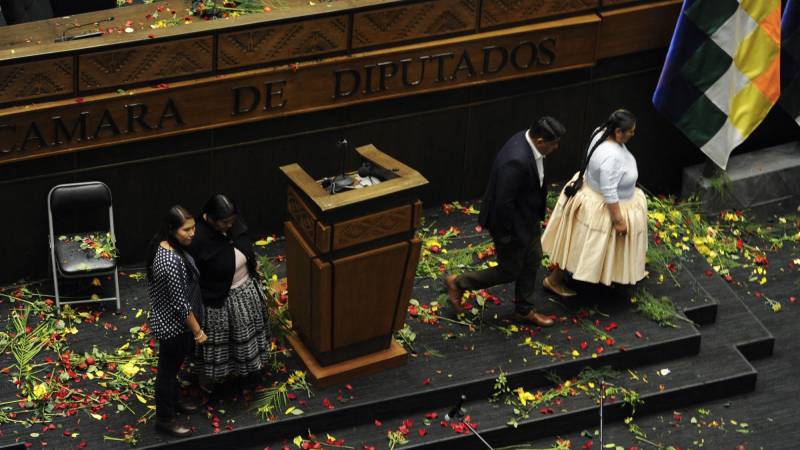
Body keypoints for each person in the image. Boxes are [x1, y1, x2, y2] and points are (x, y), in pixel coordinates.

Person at [445, 116, 567, 327]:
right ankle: (458, 283)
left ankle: (524, 310)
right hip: (511, 227)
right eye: (554, 143)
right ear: (540, 141)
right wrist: (505, 238)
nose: (556, 148)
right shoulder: (516, 161)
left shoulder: (527, 140)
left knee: (533, 259)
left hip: (527, 220)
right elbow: (503, 204)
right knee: (510, 270)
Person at [541, 109, 648, 291]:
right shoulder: (611, 157)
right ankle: (555, 280)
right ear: (618, 132)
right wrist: (618, 220)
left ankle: (611, 275)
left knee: (582, 242)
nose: (633, 133)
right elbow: (609, 190)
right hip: (602, 207)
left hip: (591, 196)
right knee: (580, 245)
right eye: (630, 130)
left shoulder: (601, 131)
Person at [188, 194, 270, 390]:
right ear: (210, 218)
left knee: (247, 334)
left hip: (245, 289)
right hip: (218, 300)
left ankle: (248, 371)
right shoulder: (197, 236)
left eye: (232, 221)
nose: (229, 226)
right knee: (220, 340)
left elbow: (241, 239)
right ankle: (210, 379)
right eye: (225, 223)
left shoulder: (233, 222)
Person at [146, 205, 207, 437]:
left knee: (173, 368)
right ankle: (164, 418)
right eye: (186, 230)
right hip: (174, 326)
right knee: (167, 372)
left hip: (170, 320)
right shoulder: (171, 261)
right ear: (172, 230)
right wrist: (198, 332)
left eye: (193, 228)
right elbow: (181, 305)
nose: (192, 233)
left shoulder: (164, 245)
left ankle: (175, 400)